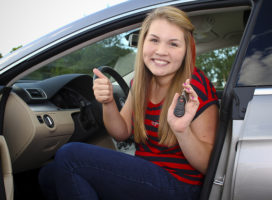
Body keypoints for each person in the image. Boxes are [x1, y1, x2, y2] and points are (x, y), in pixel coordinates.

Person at [38, 6, 219, 200]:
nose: (161, 51)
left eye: (173, 44)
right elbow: (121, 131)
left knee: (70, 157)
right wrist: (108, 102)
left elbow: (208, 164)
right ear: (143, 43)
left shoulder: (193, 87)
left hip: (180, 185)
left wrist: (182, 131)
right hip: (147, 174)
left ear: (186, 51)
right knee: (49, 175)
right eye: (154, 40)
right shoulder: (141, 82)